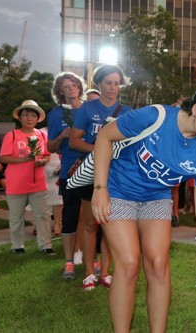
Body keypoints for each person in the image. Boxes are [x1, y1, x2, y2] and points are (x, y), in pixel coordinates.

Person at [91, 84, 196, 333]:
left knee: (158, 264)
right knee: (128, 263)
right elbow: (105, 136)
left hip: (156, 197)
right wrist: (100, 189)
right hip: (118, 190)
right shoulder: (155, 117)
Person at [70, 64, 132, 290]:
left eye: (117, 83)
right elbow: (74, 140)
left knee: (109, 225)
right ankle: (88, 273)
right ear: (99, 84)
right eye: (108, 82)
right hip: (91, 174)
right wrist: (98, 150)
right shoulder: (87, 109)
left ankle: (105, 272)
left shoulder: (127, 112)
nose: (113, 87)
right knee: (89, 224)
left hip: (116, 177)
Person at [0, 100, 54, 255]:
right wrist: (25, 159)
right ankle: (17, 246)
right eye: (25, 115)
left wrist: (43, 160)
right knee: (16, 217)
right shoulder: (12, 135)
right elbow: (4, 157)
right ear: (20, 118)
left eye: (32, 115)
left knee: (42, 215)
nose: (29, 118)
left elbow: (47, 154)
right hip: (16, 184)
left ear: (37, 119)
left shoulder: (42, 135)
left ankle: (45, 245)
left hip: (37, 183)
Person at [47, 72, 87, 279]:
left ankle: (89, 257)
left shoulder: (90, 109)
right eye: (66, 85)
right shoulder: (55, 115)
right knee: (71, 216)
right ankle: (69, 261)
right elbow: (50, 146)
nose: (71, 88)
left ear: (80, 87)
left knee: (90, 217)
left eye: (74, 84)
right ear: (60, 91)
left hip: (92, 170)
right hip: (70, 171)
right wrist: (62, 135)